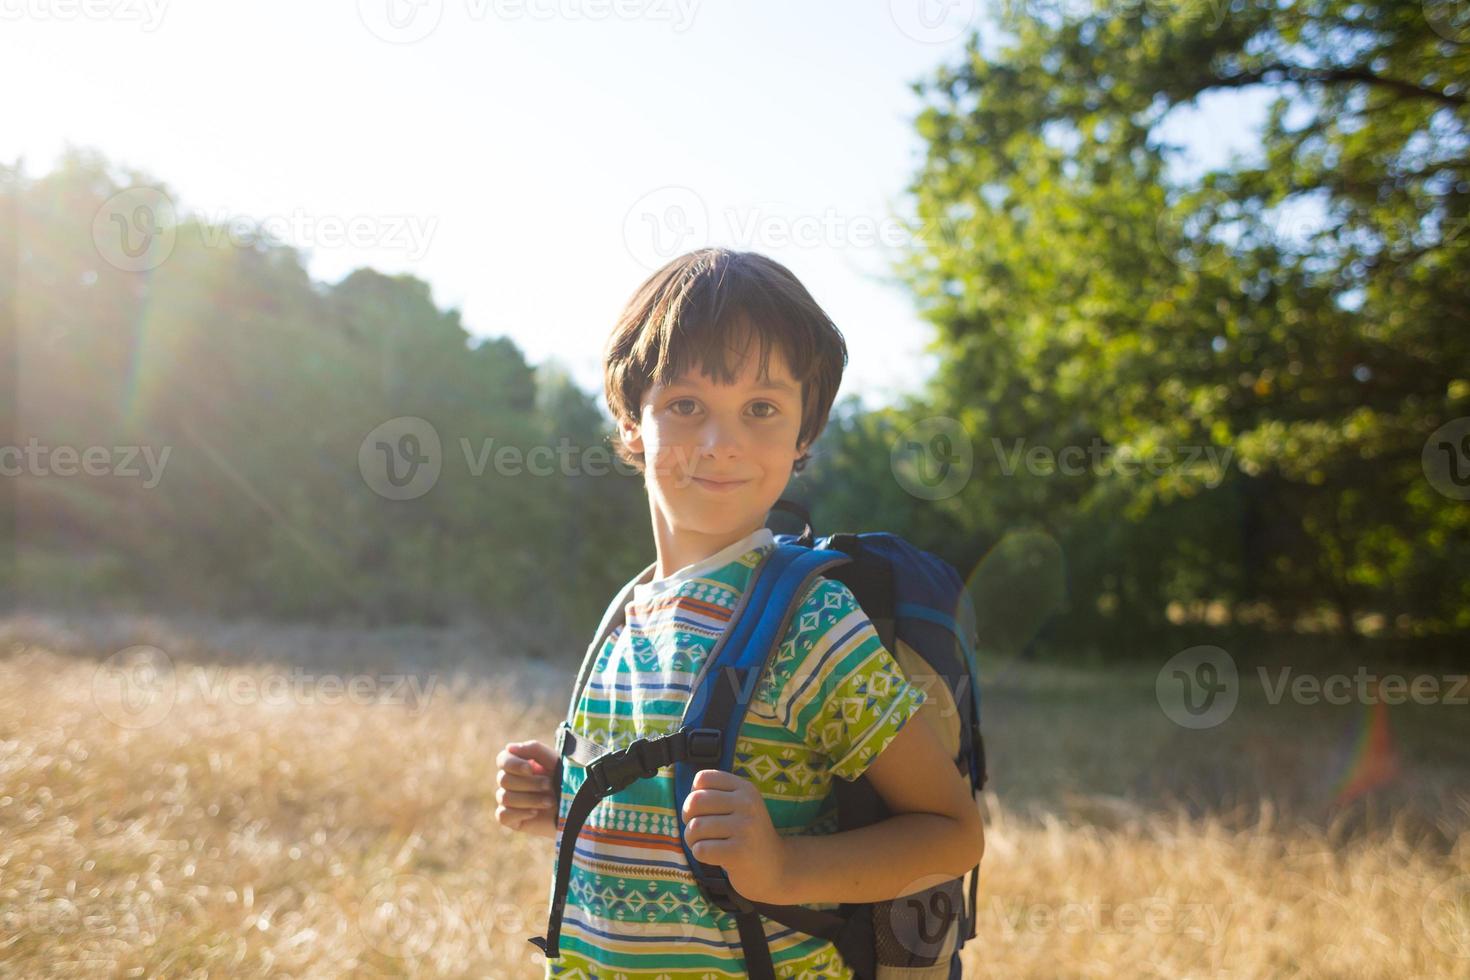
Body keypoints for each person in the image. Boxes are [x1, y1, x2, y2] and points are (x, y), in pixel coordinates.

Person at [495, 247, 984, 978]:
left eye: (762, 409)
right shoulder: (628, 612)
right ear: (632, 422)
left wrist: (782, 869)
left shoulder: (811, 621)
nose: (721, 443)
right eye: (686, 404)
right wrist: (562, 804)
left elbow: (951, 834)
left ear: (803, 437)